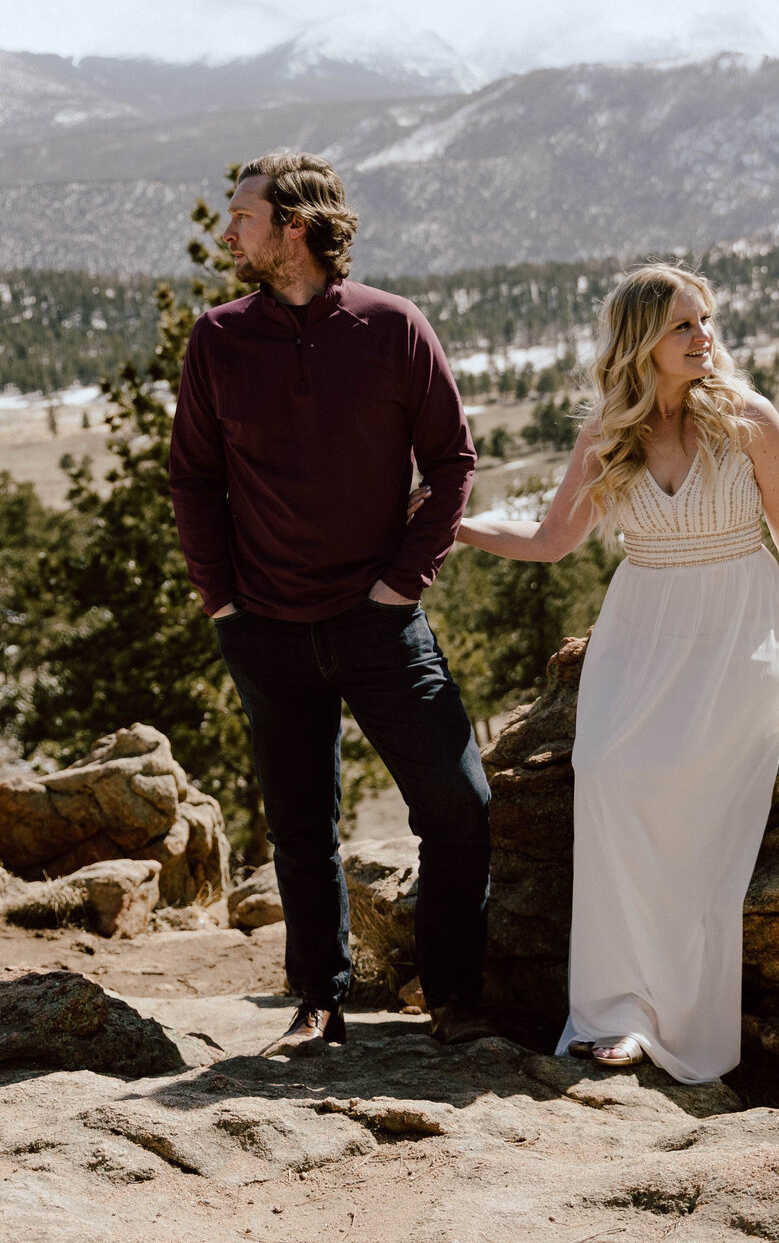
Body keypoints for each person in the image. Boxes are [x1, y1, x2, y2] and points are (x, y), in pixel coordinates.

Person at [451, 264, 779, 1082]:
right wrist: (454, 527)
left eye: (706, 321)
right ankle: (616, 1012)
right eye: (683, 327)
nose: (706, 338)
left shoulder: (751, 422)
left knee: (685, 788)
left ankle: (678, 1021)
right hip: (639, 631)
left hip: (739, 625)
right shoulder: (608, 435)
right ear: (641, 344)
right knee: (609, 774)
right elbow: (552, 540)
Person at [168, 149, 491, 1050]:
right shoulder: (218, 338)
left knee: (459, 808)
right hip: (265, 628)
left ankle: (455, 1001)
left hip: (380, 624)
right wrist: (221, 606)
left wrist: (400, 586)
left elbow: (455, 463)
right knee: (300, 826)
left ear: (295, 228)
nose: (228, 231)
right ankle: (318, 1003)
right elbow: (192, 480)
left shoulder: (394, 328)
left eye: (244, 216)